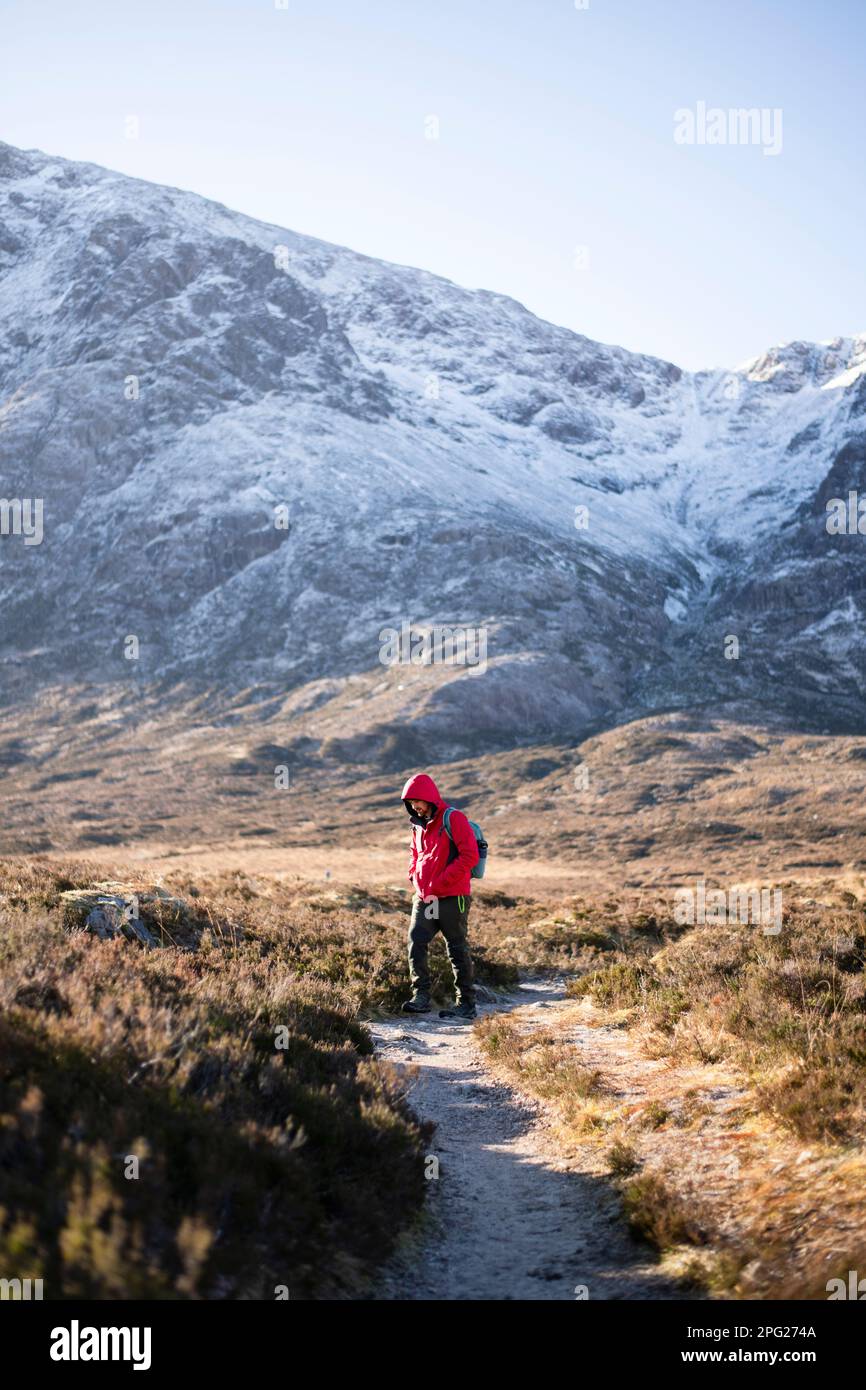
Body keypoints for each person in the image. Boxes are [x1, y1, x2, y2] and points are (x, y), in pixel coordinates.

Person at [400, 772, 479, 1021]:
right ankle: (421, 998)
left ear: (429, 798)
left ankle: (466, 1004)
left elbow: (470, 857)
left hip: (452, 896)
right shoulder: (417, 826)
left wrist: (440, 882)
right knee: (416, 941)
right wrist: (413, 875)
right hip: (426, 898)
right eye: (411, 804)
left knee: (456, 948)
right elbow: (415, 855)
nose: (415, 807)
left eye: (418, 802)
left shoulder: (453, 818)